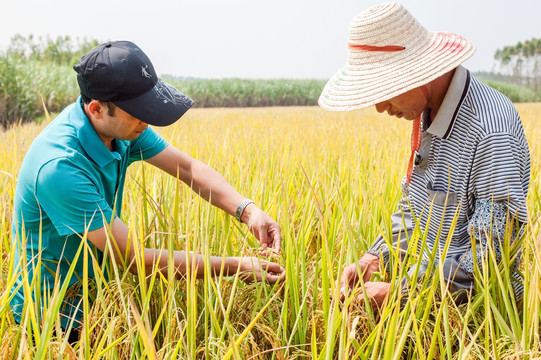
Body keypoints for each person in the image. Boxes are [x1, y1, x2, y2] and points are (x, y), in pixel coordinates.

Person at [10, 40, 285, 340]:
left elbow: (186, 168)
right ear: (96, 109)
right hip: (47, 318)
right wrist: (235, 267)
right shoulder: (60, 169)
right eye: (138, 112)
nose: (147, 120)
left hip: (92, 297)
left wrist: (248, 210)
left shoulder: (120, 128)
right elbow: (135, 259)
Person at [319, 3, 530, 307]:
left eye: (382, 91)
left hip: (481, 317)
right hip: (427, 302)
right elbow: (417, 206)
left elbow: (490, 255)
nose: (379, 107)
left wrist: (399, 294)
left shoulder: (489, 132)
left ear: (415, 72)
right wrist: (375, 257)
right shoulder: (427, 111)